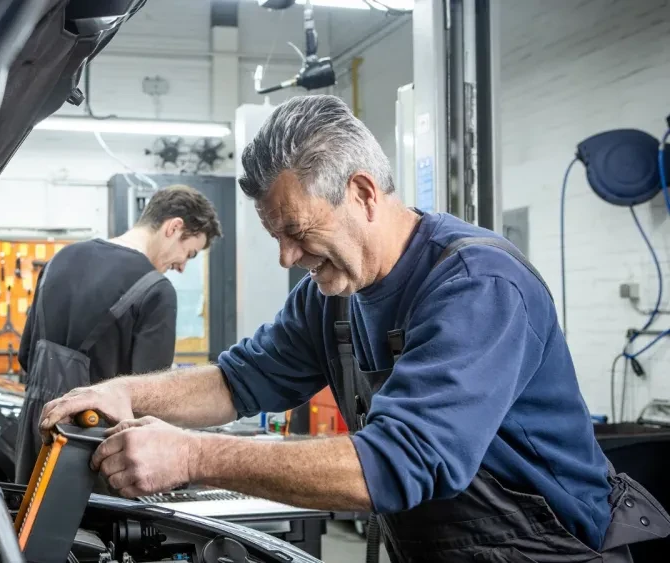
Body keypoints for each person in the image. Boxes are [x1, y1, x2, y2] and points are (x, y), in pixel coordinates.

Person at [39, 95, 669, 561]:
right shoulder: (332, 293)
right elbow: (240, 380)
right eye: (275, 236)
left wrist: (190, 456)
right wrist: (125, 393)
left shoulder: (477, 286)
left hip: (549, 555)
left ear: (364, 193)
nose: (287, 257)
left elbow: (396, 464)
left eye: (297, 231)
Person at [14, 184, 222, 486]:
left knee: (30, 528)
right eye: (188, 252)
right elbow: (153, 400)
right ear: (174, 227)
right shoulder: (156, 290)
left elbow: (25, 356)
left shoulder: (61, 260)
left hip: (34, 436)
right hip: (95, 454)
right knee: (87, 534)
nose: (181, 266)